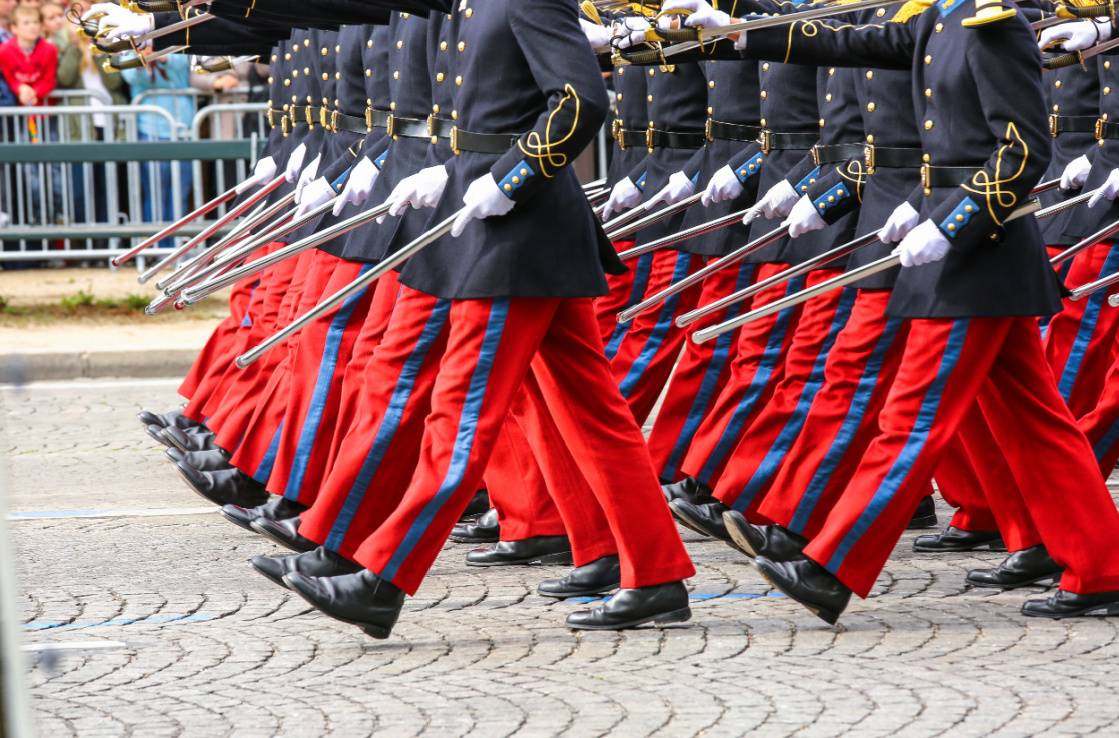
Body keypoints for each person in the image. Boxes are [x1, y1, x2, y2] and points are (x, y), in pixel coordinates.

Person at [121, 54, 195, 245]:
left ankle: (177, 246)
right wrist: (144, 59)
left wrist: (163, 57)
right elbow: (130, 77)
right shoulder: (132, 46)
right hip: (149, 126)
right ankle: (155, 246)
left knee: (181, 190)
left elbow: (183, 71)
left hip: (181, 125)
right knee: (155, 190)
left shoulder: (177, 46)